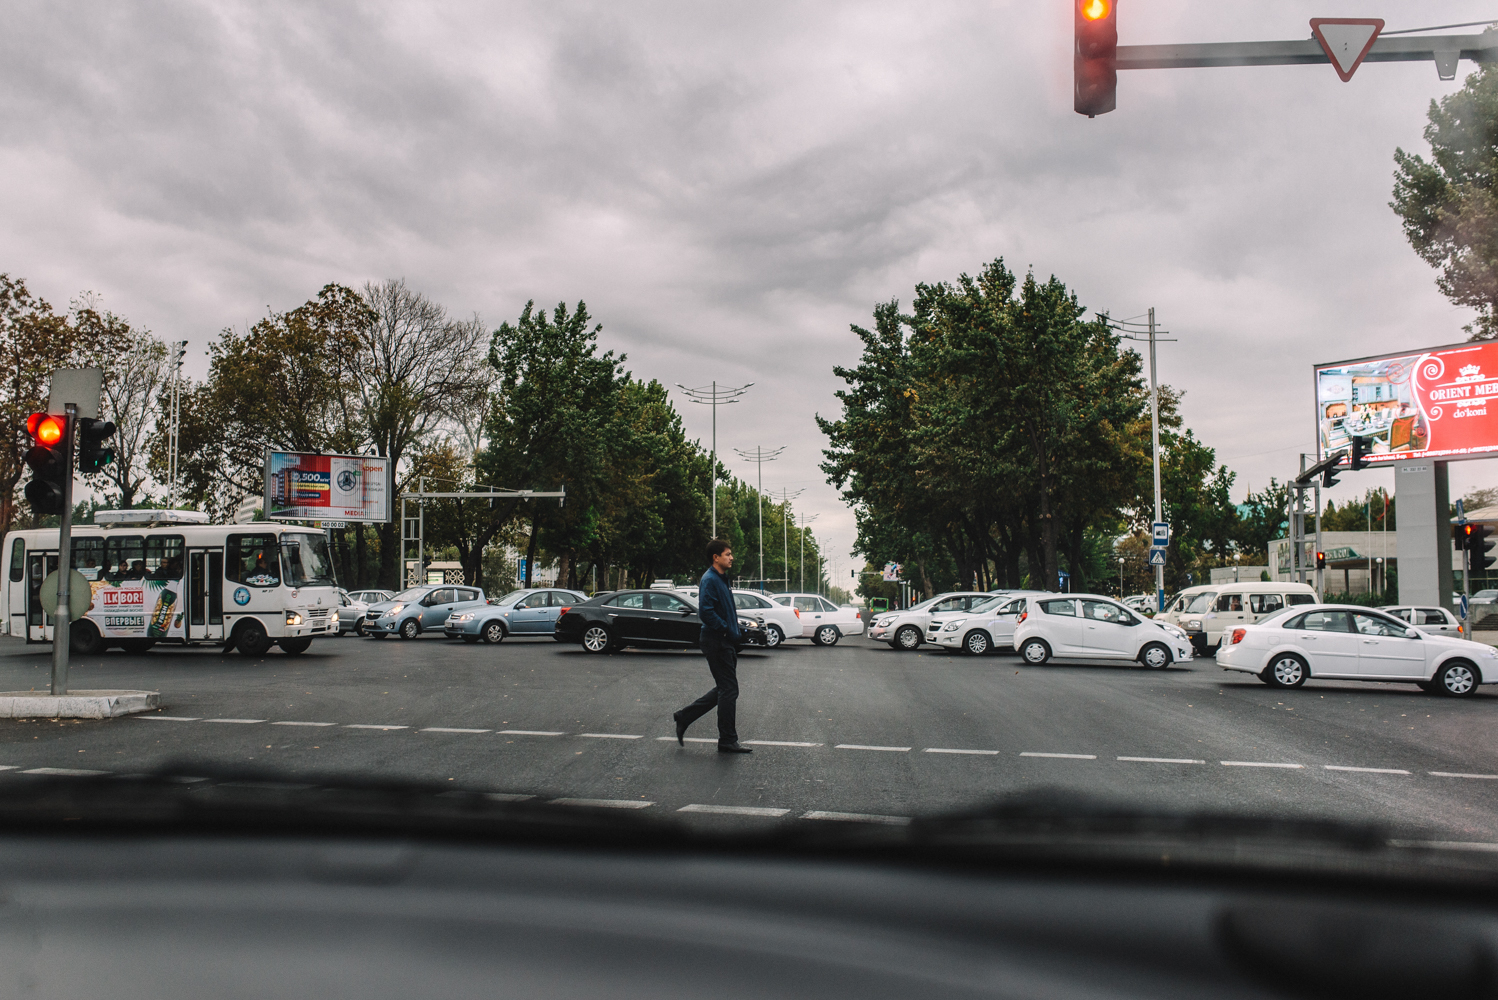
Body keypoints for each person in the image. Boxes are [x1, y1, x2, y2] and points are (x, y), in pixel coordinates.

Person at [673, 538, 752, 753]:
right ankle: (727, 739)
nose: (731, 557)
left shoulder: (722, 578)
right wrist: (726, 629)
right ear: (716, 557)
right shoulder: (709, 579)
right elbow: (705, 611)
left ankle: (684, 716)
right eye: (728, 554)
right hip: (716, 639)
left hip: (724, 640)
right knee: (729, 689)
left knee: (724, 688)